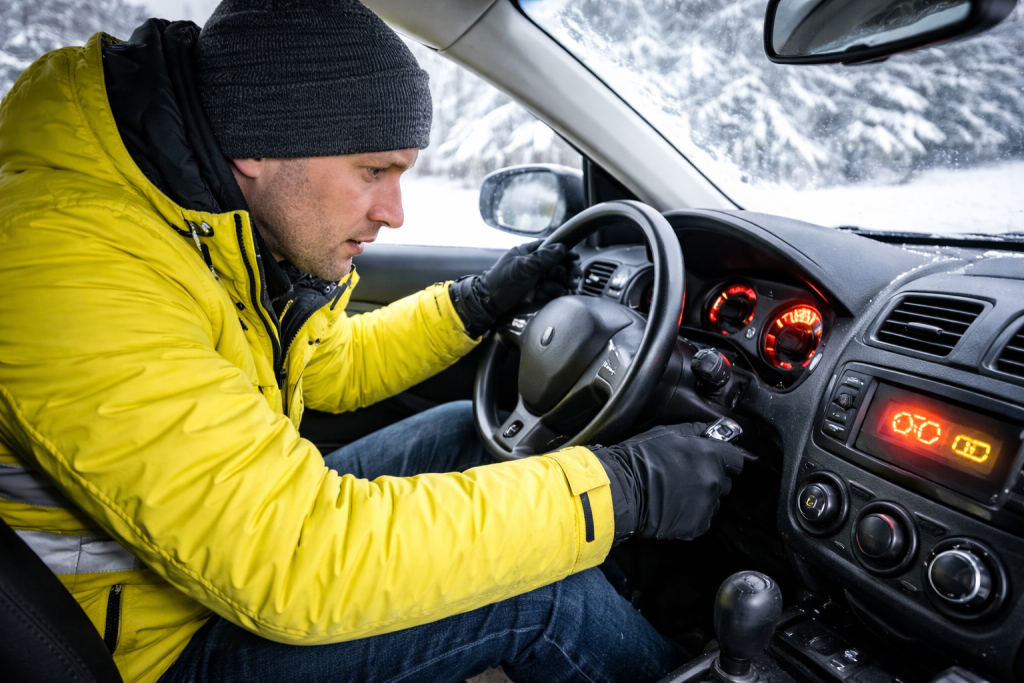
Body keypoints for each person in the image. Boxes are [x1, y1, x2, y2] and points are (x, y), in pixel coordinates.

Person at [0, 1, 746, 681]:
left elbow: (330, 366)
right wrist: (622, 488)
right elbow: (295, 557)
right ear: (257, 145)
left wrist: (476, 303)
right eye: (373, 171)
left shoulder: (203, 228)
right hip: (151, 648)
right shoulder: (67, 266)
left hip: (199, 571)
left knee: (463, 433)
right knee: (540, 593)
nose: (394, 211)